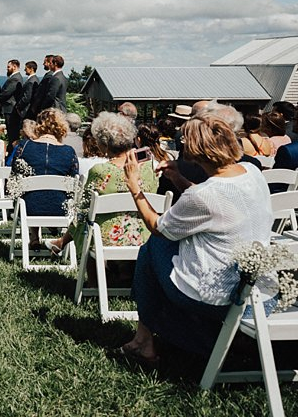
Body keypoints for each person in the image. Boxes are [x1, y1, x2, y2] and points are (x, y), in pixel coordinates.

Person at [115, 115, 273, 365]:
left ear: (197, 151)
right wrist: (178, 178)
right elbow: (215, 203)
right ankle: (147, 339)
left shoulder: (203, 195)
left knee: (152, 247)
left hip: (220, 294)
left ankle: (145, 341)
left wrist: (135, 187)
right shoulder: (252, 172)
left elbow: (157, 226)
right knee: (160, 250)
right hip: (263, 290)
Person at [45, 112, 158, 256]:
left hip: (106, 239)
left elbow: (84, 208)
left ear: (104, 144)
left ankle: (89, 273)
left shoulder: (100, 171)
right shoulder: (149, 167)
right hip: (145, 236)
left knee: (84, 217)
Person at [11, 108, 79, 220]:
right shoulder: (69, 151)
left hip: (28, 208)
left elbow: (14, 174)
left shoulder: (24, 146)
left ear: (38, 125)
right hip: (61, 208)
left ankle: (34, 236)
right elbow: (73, 179)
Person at [0, 60, 24, 144]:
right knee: (10, 132)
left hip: (10, 108)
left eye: (9, 67)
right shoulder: (14, 77)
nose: (7, 69)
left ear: (15, 67)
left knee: (12, 132)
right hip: (9, 108)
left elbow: (7, 92)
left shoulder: (15, 78)